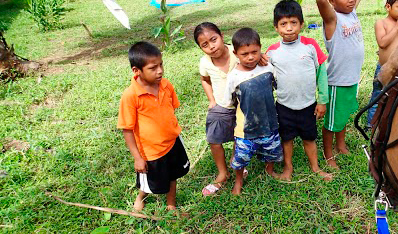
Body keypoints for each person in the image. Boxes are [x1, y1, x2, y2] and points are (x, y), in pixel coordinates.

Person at [117, 41, 190, 211]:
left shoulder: (165, 85)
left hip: (172, 142)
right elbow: (127, 129)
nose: (160, 71)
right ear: (136, 70)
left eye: (161, 65)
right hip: (150, 151)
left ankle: (171, 204)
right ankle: (141, 195)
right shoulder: (131, 96)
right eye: (153, 68)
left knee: (174, 174)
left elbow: (171, 108)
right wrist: (137, 157)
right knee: (151, 181)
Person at [266, 0, 332, 181]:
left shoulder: (310, 46)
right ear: (276, 27)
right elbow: (266, 77)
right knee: (286, 139)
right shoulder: (271, 52)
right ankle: (288, 168)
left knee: (309, 138)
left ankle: (316, 167)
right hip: (284, 106)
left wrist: (322, 100)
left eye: (293, 23)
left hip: (308, 105)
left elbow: (322, 74)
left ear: (301, 24)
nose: (289, 28)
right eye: (283, 24)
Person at [224, 28, 283, 195]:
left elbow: (277, 85)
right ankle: (238, 181)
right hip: (245, 130)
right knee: (240, 158)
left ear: (260, 49)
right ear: (235, 53)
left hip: (270, 123)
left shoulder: (268, 68)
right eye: (245, 54)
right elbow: (229, 101)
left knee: (272, 151)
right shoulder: (234, 76)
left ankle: (269, 170)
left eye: (254, 52)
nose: (250, 57)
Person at [316, 0, 365, 169]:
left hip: (352, 78)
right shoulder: (332, 19)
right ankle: (328, 153)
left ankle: (341, 144)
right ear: (332, 0)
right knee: (332, 121)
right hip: (337, 81)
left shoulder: (351, 12)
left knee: (342, 115)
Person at [195, 22, 241, 196]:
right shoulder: (205, 62)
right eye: (204, 45)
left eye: (213, 39)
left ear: (221, 36)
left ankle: (236, 162)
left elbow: (253, 59)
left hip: (243, 104)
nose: (211, 46)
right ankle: (222, 173)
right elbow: (204, 79)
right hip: (221, 105)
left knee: (240, 135)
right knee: (214, 139)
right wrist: (211, 100)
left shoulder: (237, 51)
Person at [367, 0, 398, 128]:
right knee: (378, 97)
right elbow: (382, 43)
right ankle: (371, 125)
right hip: (384, 68)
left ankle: (393, 124)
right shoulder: (381, 23)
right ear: (388, 7)